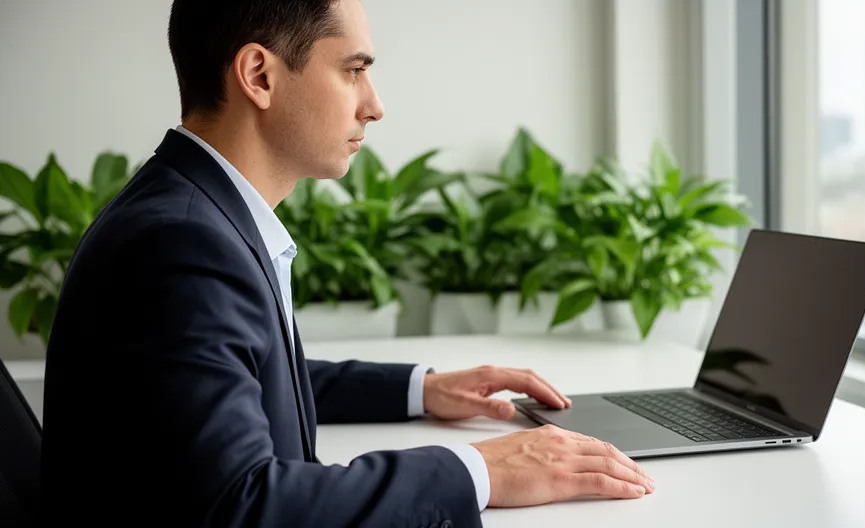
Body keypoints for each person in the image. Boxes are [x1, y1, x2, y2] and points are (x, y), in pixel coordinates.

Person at [39, 0, 655, 526]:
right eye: (353, 70)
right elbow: (244, 503)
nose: (375, 105)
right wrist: (484, 469)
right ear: (259, 74)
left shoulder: (186, 209)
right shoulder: (181, 244)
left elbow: (250, 374)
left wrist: (423, 388)